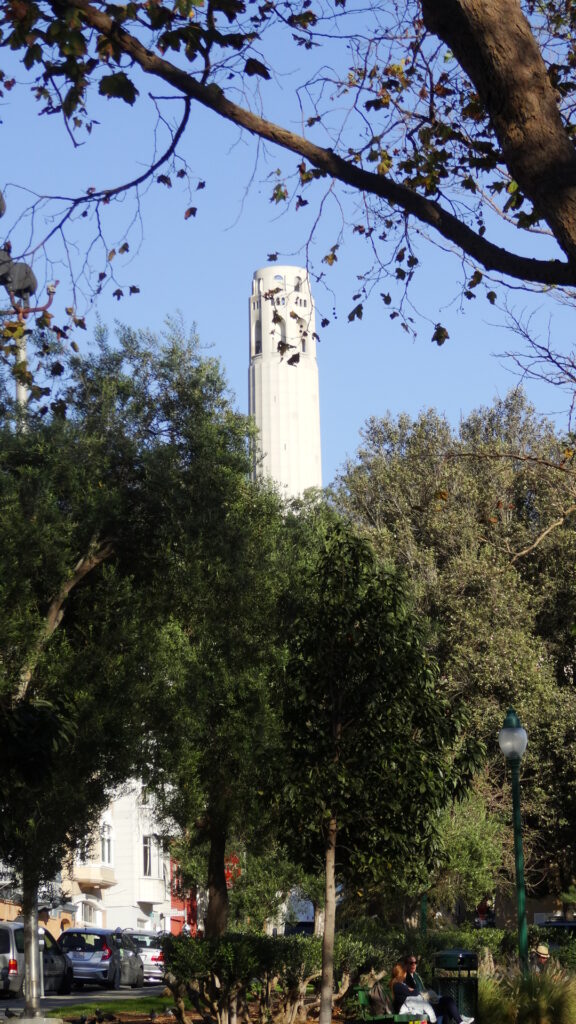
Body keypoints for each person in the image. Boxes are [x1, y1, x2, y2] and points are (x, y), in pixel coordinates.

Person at [396, 957, 475, 1024]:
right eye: (411, 963)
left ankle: (459, 1018)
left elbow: (416, 991)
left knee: (447, 1002)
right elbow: (413, 993)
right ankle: (459, 1019)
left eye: (415, 962)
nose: (414, 965)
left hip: (425, 1001)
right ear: (406, 965)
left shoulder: (416, 976)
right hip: (420, 1004)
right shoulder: (406, 979)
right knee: (447, 1002)